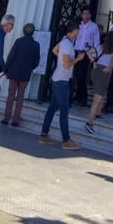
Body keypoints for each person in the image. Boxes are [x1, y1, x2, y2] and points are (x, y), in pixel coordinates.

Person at [39, 20, 85, 150]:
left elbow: (54, 50)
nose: (78, 33)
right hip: (61, 81)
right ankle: (66, 140)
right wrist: (77, 59)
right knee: (64, 110)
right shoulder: (67, 44)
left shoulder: (65, 41)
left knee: (52, 108)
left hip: (58, 79)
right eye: (77, 31)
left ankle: (44, 134)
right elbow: (66, 65)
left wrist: (61, 59)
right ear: (73, 30)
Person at [1, 22, 40, 126]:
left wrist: (6, 68)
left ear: (23, 31)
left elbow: (11, 56)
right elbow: (36, 62)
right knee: (20, 97)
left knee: (11, 95)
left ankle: (6, 118)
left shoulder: (19, 42)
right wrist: (29, 68)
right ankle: (16, 120)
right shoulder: (36, 45)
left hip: (14, 72)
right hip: (25, 74)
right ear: (32, 33)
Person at [84, 30, 113, 135]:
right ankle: (89, 123)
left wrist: (93, 61)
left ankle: (98, 112)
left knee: (100, 95)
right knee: (97, 99)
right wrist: (109, 67)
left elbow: (88, 52)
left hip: (95, 71)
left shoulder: (100, 47)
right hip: (104, 73)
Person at [72, 5, 101, 107]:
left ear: (90, 15)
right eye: (84, 13)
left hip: (85, 54)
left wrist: (93, 57)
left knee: (82, 76)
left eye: (88, 14)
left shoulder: (94, 27)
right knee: (73, 75)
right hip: (76, 52)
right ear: (81, 14)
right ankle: (73, 96)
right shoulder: (77, 25)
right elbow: (73, 38)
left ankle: (82, 99)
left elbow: (96, 42)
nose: (86, 16)